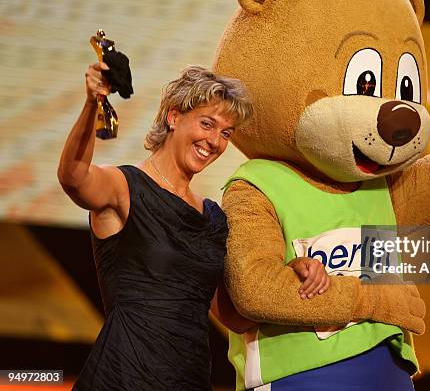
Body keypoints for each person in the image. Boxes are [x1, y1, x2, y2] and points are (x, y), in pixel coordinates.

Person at [58, 62, 330, 390]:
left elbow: (231, 316)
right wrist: (92, 104)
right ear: (174, 117)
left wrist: (291, 275)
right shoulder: (125, 187)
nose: (214, 141)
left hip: (190, 378)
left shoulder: (212, 218)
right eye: (207, 123)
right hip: (123, 376)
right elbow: (73, 177)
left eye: (226, 132)